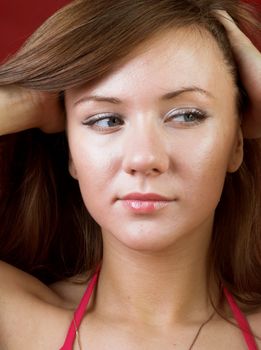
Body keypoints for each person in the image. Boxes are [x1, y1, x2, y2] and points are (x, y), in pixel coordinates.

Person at [0, 0, 261, 349]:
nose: (144, 158)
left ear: (236, 145)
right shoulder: (14, 323)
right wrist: (29, 100)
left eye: (186, 116)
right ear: (72, 154)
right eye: (106, 120)